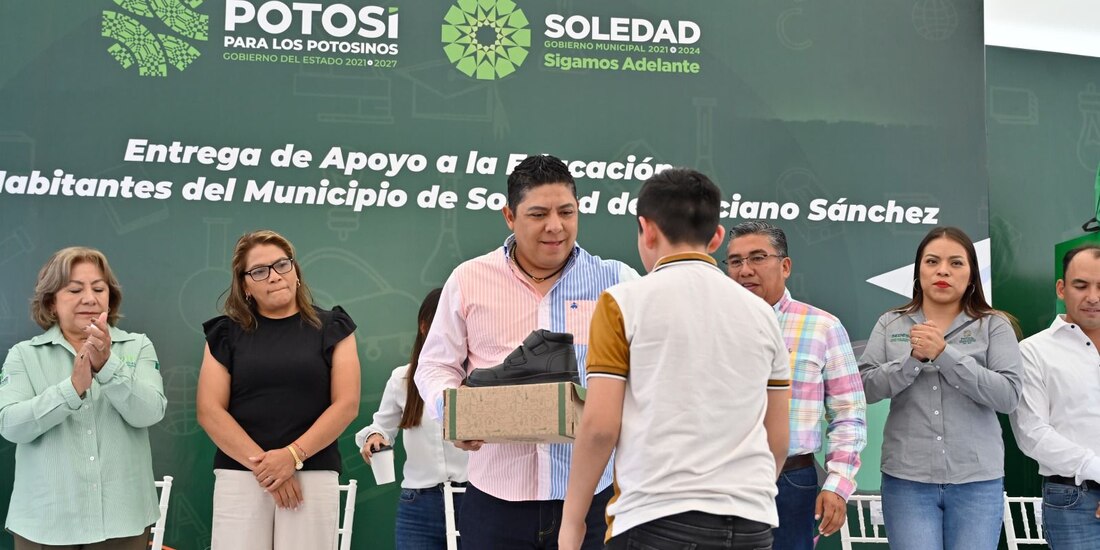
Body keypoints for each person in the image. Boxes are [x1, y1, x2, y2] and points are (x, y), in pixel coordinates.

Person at [414, 154, 639, 549]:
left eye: (566, 212)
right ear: (509, 216)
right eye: (538, 214)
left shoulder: (618, 281)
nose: (555, 226)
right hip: (495, 497)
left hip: (592, 494)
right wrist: (452, 411)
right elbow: (434, 365)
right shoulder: (469, 279)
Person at [559, 168, 791, 550]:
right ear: (717, 237)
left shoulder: (623, 303)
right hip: (752, 524)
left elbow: (600, 427)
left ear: (647, 229)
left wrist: (572, 523)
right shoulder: (763, 313)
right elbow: (777, 437)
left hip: (656, 517)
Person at [859, 226, 1022, 550]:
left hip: (977, 480)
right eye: (932, 262)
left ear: (973, 274)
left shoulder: (995, 325)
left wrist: (945, 354)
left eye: (956, 263)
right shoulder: (891, 323)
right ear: (918, 272)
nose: (943, 271)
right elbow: (865, 388)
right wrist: (912, 360)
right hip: (907, 481)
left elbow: (1008, 396)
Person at [196, 230, 360, 549]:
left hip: (312, 472)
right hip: (241, 473)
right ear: (245, 285)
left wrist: (292, 456)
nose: (274, 277)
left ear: (295, 271)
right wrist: (268, 468)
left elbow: (347, 404)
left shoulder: (334, 328)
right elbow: (209, 411)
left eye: (282, 265)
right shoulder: (225, 334)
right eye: (259, 271)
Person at [0, 246, 166, 549]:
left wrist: (108, 368)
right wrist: (71, 390)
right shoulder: (23, 355)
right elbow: (11, 426)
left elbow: (150, 412)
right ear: (51, 302)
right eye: (74, 289)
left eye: (99, 289)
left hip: (123, 522)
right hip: (45, 524)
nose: (90, 298)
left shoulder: (137, 346)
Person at [726, 221, 867, 549]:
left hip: (791, 481)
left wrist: (837, 484)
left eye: (758, 257)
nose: (745, 270)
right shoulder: (711, 326)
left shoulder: (822, 327)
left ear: (785, 266)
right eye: (735, 261)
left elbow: (849, 413)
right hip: (721, 478)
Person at [356, 288, 469, 549]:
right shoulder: (403, 379)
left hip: (474, 498)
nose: (453, 332)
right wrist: (375, 437)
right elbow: (381, 428)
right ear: (424, 326)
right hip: (419, 504)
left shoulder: (481, 377)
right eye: (443, 323)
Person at [1009, 244, 1100, 549]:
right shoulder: (1033, 352)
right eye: (1081, 285)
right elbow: (1031, 433)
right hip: (1075, 501)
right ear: (1061, 288)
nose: (1093, 297)